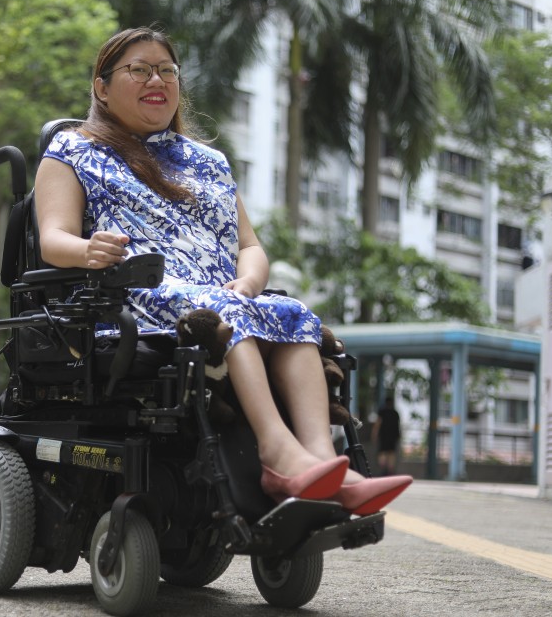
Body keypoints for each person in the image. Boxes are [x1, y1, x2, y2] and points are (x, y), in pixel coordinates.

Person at [34, 27, 411, 515]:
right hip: (135, 294)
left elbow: (250, 246)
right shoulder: (73, 150)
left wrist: (250, 281)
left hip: (220, 295)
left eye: (167, 70)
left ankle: (322, 460)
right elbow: (52, 240)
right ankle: (278, 453)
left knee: (291, 312)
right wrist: (89, 250)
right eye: (139, 69)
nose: (158, 79)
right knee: (222, 306)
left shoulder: (208, 162)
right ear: (102, 88)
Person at [373, 395, 403, 476]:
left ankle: (382, 469)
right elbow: (398, 426)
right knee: (391, 453)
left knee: (382, 452)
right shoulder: (395, 413)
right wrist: (399, 436)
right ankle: (390, 471)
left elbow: (378, 424)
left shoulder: (382, 412)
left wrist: (374, 434)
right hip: (393, 436)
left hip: (383, 436)